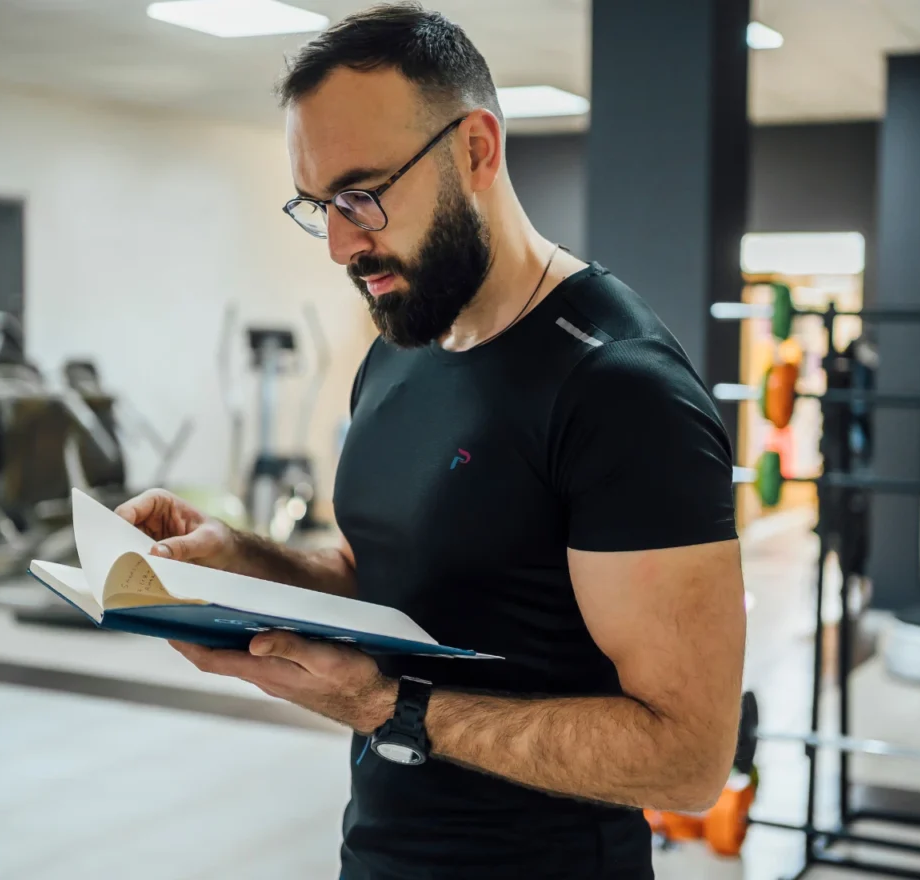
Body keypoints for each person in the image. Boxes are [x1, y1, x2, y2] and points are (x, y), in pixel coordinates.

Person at [115, 5, 746, 878]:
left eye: (362, 195)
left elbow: (689, 760)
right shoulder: (400, 349)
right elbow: (382, 576)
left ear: (476, 151)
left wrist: (388, 706)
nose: (340, 243)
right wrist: (239, 560)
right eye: (317, 206)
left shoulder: (620, 391)